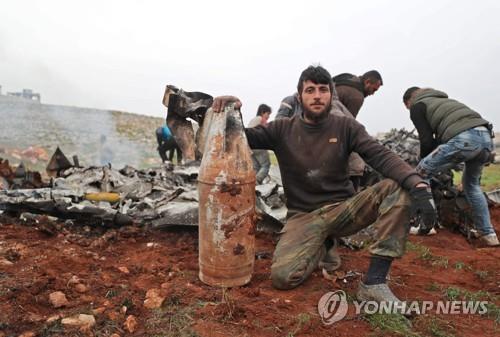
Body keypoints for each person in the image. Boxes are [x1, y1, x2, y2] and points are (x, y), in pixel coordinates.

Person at [212, 65, 436, 305]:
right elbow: (240, 136)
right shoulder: (281, 129)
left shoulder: (346, 127)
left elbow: (379, 155)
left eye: (322, 89)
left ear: (331, 94)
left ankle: (374, 282)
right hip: (303, 216)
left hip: (343, 210)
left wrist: (417, 183)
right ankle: (322, 243)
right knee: (283, 278)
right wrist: (226, 111)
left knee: (397, 187)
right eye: (310, 90)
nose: (317, 95)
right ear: (300, 96)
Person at [403, 87, 499, 246]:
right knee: (472, 185)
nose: (409, 110)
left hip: (464, 139)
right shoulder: (445, 101)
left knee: (420, 174)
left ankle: (426, 225)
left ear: (409, 101)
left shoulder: (417, 106)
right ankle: (488, 234)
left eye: (407, 107)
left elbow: (426, 140)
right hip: (486, 138)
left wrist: (424, 161)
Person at [248, 104, 272, 184]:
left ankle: (253, 186)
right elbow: (267, 132)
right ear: (262, 112)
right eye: (268, 114)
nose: (268, 116)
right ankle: (257, 182)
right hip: (259, 145)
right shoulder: (261, 119)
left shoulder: (253, 120)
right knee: (266, 165)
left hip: (250, 147)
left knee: (256, 167)